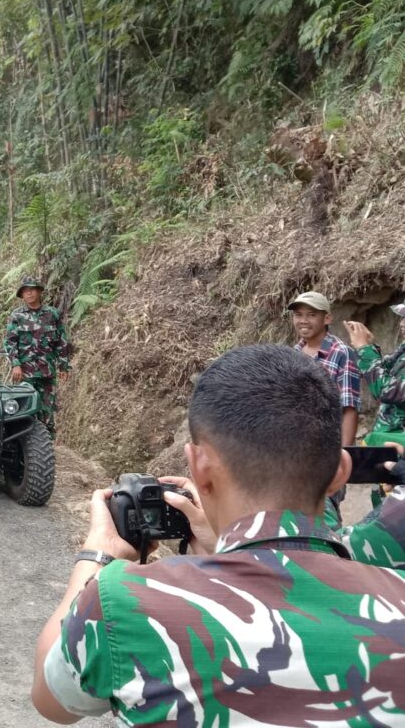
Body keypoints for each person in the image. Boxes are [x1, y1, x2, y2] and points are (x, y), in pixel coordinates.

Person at [31, 344, 405, 725]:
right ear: (340, 472)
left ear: (199, 466)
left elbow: (52, 699)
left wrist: (96, 556)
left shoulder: (121, 602)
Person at [289, 290, 360, 446]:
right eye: (298, 315)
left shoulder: (341, 353)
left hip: (327, 445)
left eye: (312, 315)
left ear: (327, 318)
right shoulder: (293, 353)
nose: (303, 320)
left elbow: (349, 408)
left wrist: (343, 453)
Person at [4, 274, 72, 436]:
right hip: (24, 373)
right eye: (25, 291)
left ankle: (46, 445)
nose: (29, 293)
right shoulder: (17, 316)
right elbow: (10, 342)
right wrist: (16, 364)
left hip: (47, 372)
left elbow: (61, 341)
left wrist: (63, 365)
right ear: (22, 295)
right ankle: (22, 444)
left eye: (32, 290)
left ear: (39, 292)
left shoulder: (52, 314)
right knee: (23, 408)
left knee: (47, 409)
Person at [345, 304, 405, 449]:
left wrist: (363, 348)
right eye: (403, 318)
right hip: (390, 437)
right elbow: (386, 371)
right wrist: (370, 345)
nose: (401, 323)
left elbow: (388, 390)